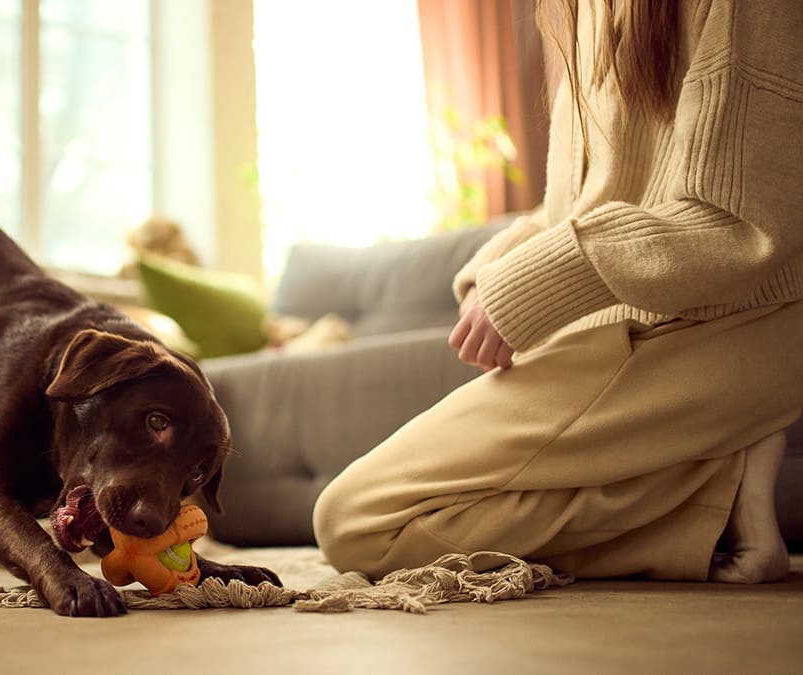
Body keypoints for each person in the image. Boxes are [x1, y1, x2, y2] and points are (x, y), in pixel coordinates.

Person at [313, 0, 803, 584]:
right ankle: (720, 490)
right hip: (625, 323)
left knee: (358, 524)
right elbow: (577, 203)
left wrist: (536, 281)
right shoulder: (584, 11)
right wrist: (493, 276)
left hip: (732, 323)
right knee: (361, 519)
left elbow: (736, 220)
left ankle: (708, 497)